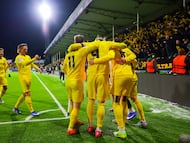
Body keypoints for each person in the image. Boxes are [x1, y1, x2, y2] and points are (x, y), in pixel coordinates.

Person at [86, 38, 127, 138]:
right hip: (102, 76)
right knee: (101, 103)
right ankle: (99, 129)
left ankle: (90, 125)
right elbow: (123, 45)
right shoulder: (107, 44)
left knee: (91, 101)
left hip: (91, 76)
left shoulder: (89, 44)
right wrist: (114, 46)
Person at [62, 35, 98, 135]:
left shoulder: (68, 54)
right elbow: (94, 46)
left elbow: (63, 68)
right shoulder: (81, 51)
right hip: (77, 81)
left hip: (68, 80)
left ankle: (74, 120)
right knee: (77, 106)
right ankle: (70, 128)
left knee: (72, 102)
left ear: (74, 42)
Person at [13, 43, 41, 116]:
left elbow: (32, 64)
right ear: (20, 50)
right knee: (27, 93)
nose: (26, 50)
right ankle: (32, 110)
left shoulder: (28, 56)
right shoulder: (18, 58)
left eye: (26, 49)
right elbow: (25, 63)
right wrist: (34, 58)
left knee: (24, 94)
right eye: (24, 49)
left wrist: (38, 69)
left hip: (29, 77)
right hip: (23, 78)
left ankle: (15, 107)